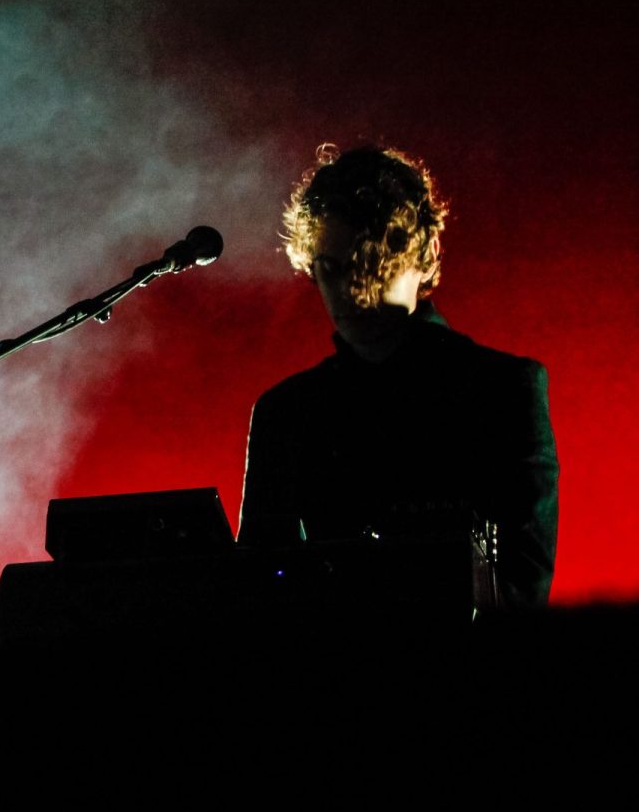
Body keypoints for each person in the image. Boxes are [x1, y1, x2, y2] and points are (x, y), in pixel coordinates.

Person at [238, 145, 558, 606]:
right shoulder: (285, 412)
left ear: (427, 254)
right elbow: (255, 587)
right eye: (331, 269)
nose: (351, 289)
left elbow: (521, 591)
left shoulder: (502, 389)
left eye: (370, 262)